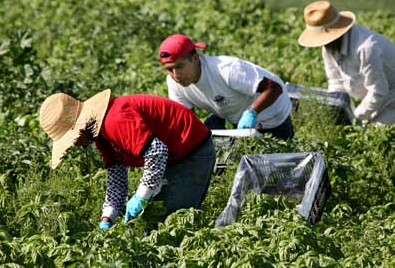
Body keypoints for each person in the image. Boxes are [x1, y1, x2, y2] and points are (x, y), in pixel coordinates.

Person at [39, 89, 215, 229]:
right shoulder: (100, 135)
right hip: (173, 158)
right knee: (153, 225)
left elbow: (157, 152)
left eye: (73, 139)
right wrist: (108, 216)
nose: (75, 144)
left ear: (79, 128)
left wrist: (141, 196)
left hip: (192, 151)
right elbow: (116, 176)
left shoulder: (114, 120)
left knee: (172, 225)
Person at [298, 0, 395, 125]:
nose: (323, 44)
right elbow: (336, 81)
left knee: (379, 134)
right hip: (373, 89)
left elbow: (378, 91)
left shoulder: (366, 49)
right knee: (363, 125)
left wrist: (354, 117)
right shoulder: (328, 47)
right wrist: (333, 108)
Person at [158, 34, 294, 140]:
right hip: (238, 120)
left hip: (273, 115)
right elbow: (186, 120)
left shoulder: (226, 69)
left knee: (278, 168)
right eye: (169, 69)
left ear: (195, 58)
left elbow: (274, 88)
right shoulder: (174, 83)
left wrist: (251, 113)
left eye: (180, 66)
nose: (176, 75)